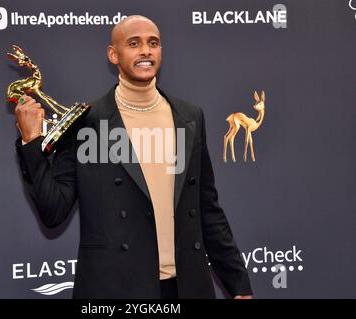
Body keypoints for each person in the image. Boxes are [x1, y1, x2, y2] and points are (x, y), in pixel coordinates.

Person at [14, 15, 252, 299]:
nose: (146, 51)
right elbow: (54, 211)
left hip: (187, 287)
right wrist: (31, 143)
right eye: (134, 43)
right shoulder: (86, 124)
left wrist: (238, 284)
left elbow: (207, 209)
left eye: (153, 43)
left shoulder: (189, 117)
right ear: (113, 54)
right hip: (116, 289)